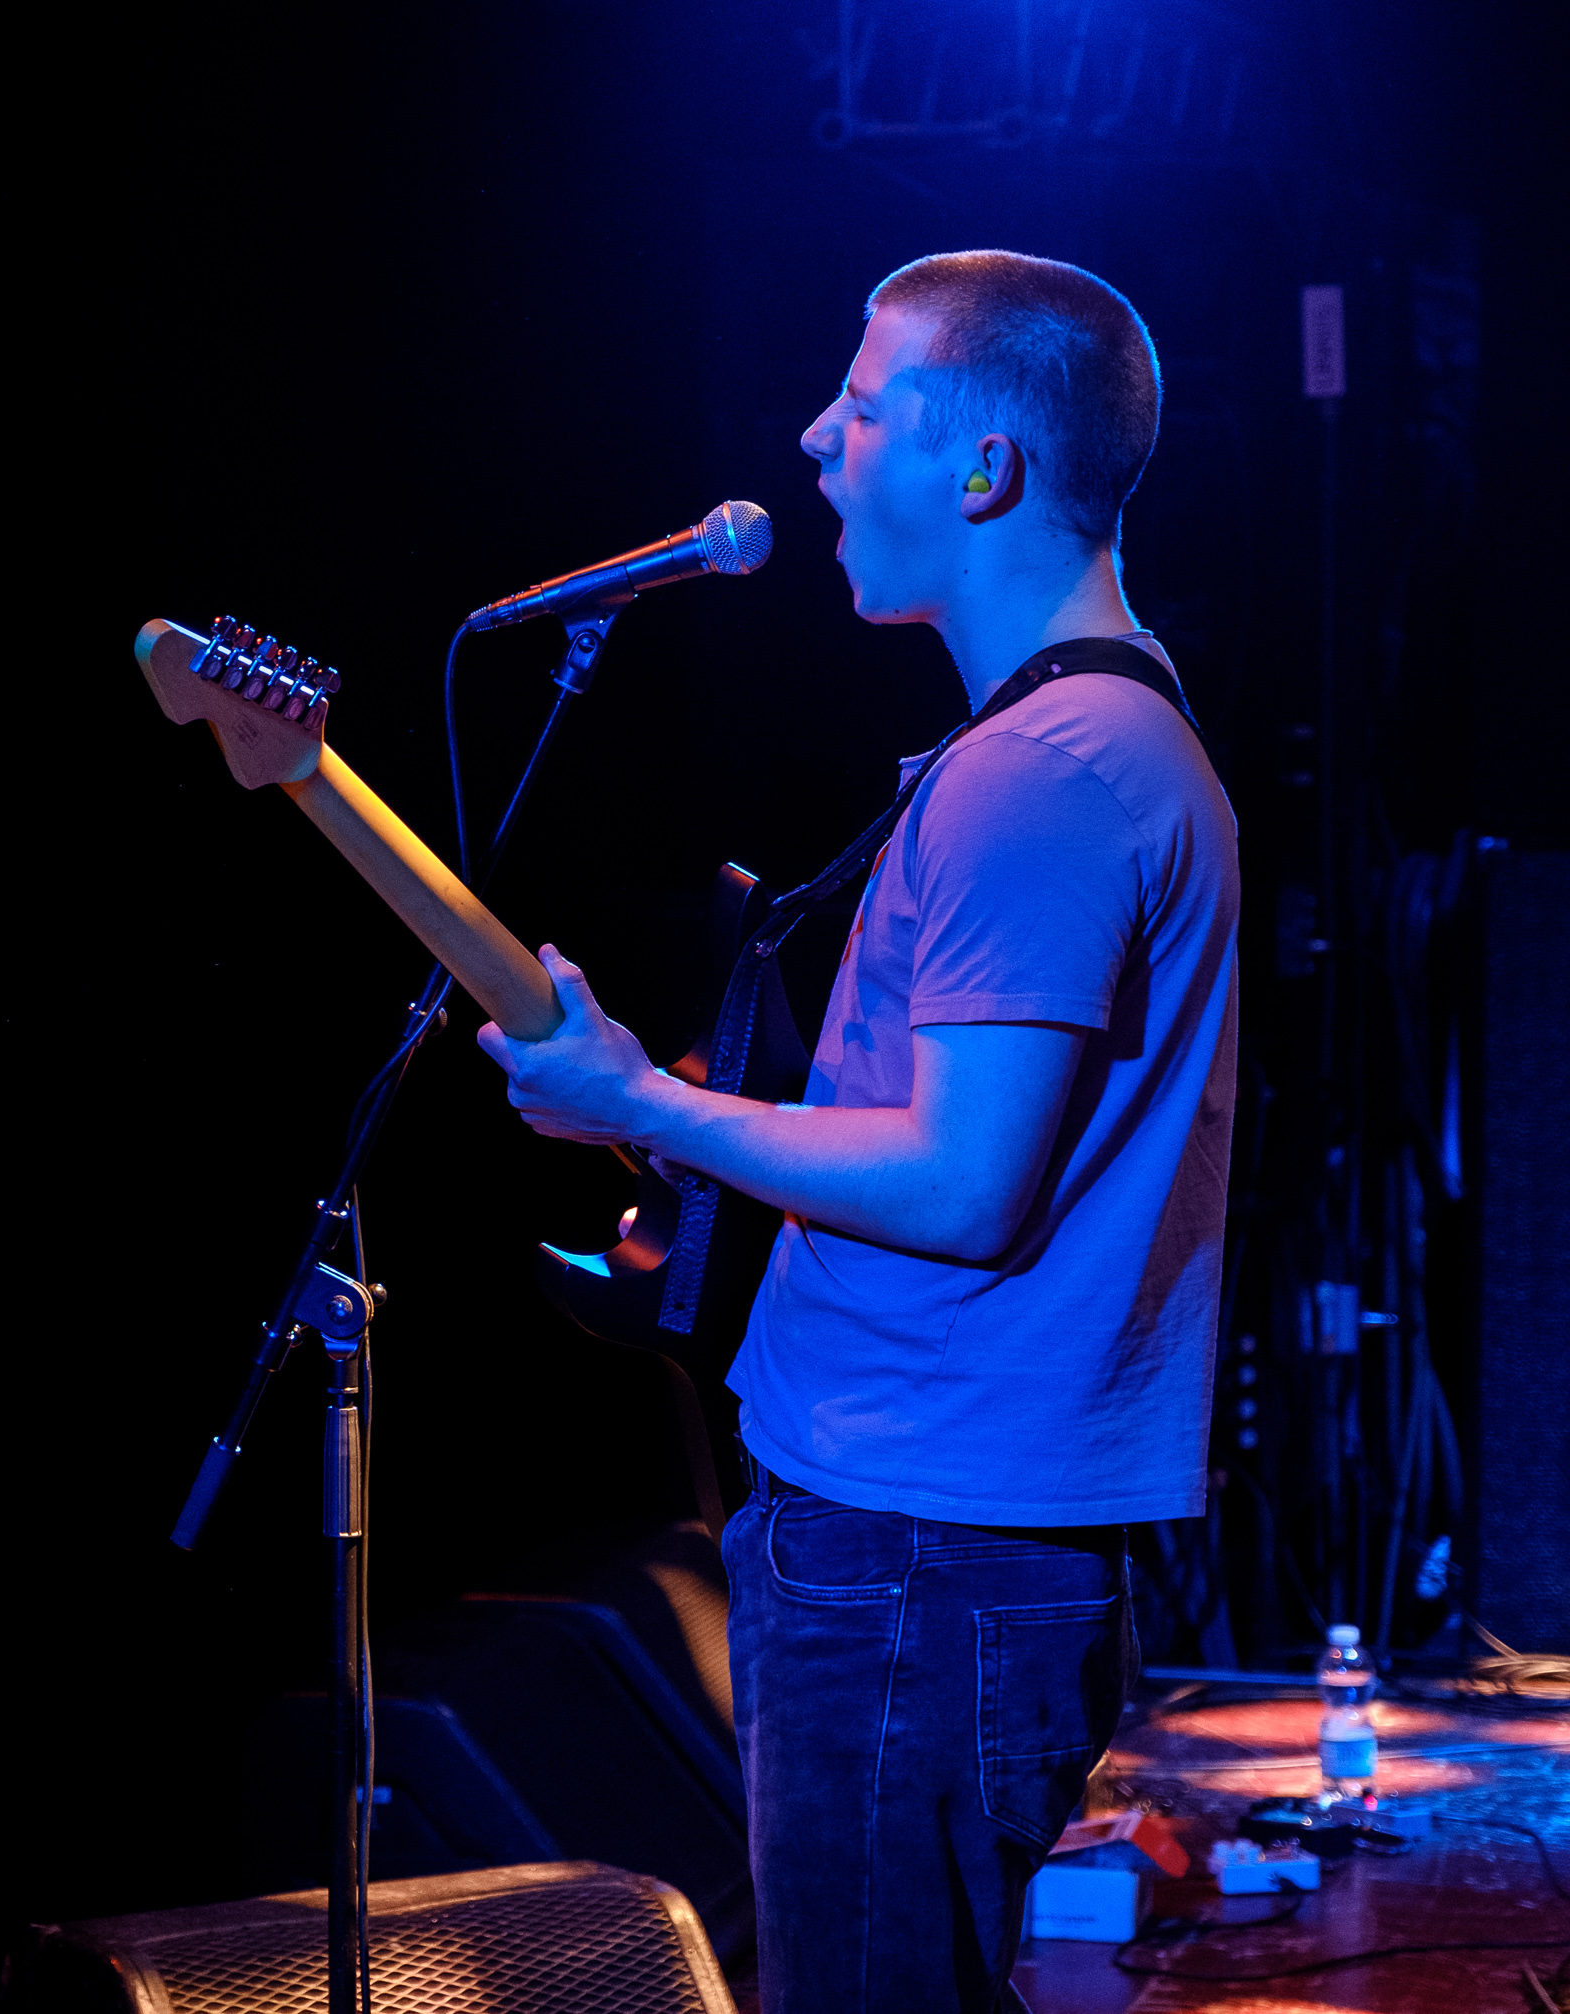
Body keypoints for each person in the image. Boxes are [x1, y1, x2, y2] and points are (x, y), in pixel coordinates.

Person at [476, 251, 1238, 2013]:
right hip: (928, 1542)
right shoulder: (1088, 744)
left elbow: (964, 1186)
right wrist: (675, 1110)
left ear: (983, 468)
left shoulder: (1045, 772)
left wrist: (643, 1102)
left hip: (913, 1548)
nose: (817, 438)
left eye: (866, 403)